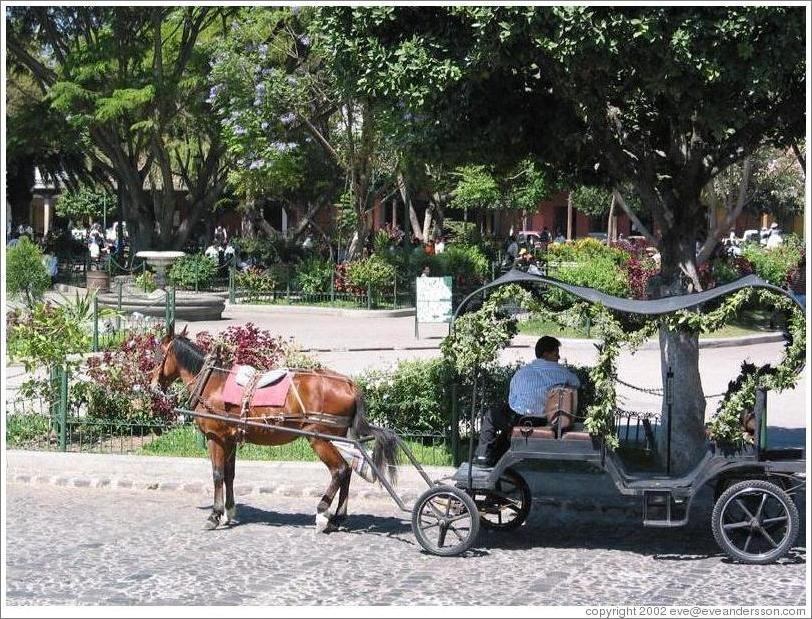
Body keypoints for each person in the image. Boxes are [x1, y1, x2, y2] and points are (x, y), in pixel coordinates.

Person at [474, 336, 581, 467]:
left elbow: (512, 398)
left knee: (491, 415)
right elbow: (576, 383)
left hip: (520, 419)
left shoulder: (521, 373)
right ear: (546, 353)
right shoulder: (561, 372)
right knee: (505, 419)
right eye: (556, 353)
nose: (558, 357)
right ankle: (495, 455)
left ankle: (483, 456)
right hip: (543, 419)